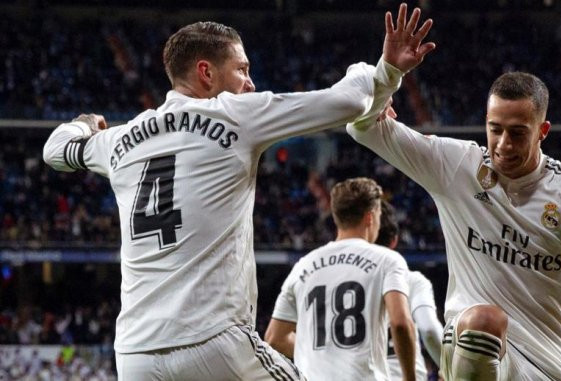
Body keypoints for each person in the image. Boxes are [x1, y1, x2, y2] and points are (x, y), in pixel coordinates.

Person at [42, 4, 435, 379]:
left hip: (134, 353)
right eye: (242, 69)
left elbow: (56, 150)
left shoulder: (120, 141)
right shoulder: (235, 114)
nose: (250, 82)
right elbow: (350, 99)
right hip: (214, 341)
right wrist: (380, 72)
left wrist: (85, 124)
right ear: (205, 73)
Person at [346, 72, 561, 380]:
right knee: (481, 323)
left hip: (548, 367)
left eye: (517, 133)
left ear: (543, 131)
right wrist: (389, 72)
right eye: (494, 129)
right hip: (473, 347)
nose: (503, 144)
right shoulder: (456, 166)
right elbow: (361, 126)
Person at [265, 178, 416, 380]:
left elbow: (274, 337)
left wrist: (319, 356)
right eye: (379, 215)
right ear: (370, 217)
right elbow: (400, 323)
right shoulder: (387, 260)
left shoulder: (303, 266)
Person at [377, 200, 444, 381]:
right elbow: (429, 330)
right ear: (394, 241)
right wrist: (450, 369)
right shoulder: (412, 280)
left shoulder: (343, 282)